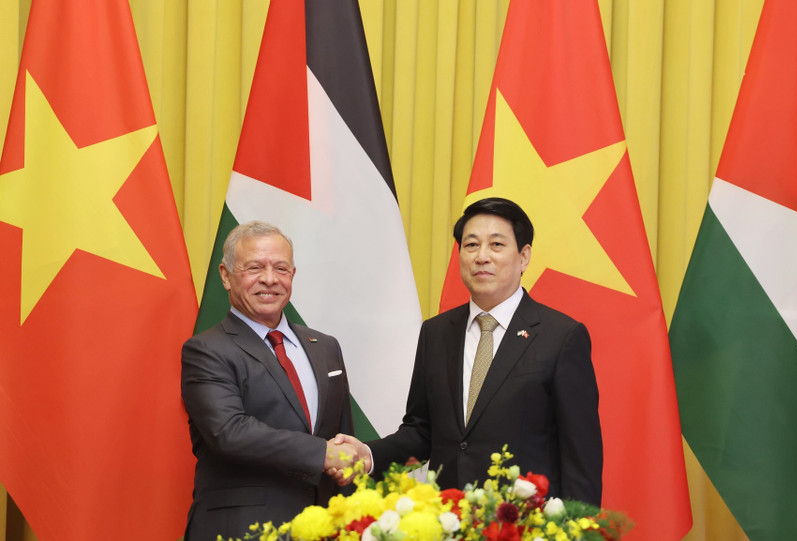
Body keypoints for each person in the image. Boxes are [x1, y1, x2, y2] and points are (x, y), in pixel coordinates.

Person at [335, 197, 603, 505]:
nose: (482, 257)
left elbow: (580, 455)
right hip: (449, 520)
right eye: (471, 245)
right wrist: (366, 454)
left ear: (524, 256)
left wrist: (579, 528)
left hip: (526, 526)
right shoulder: (436, 332)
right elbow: (422, 432)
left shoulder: (561, 337)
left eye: (497, 245)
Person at [181, 221, 361, 540]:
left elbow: (342, 438)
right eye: (254, 267)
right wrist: (322, 453)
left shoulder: (326, 347)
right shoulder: (206, 350)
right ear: (225, 275)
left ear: (292, 275)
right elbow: (229, 432)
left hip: (325, 527)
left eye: (281, 268)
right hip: (243, 530)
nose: (269, 279)